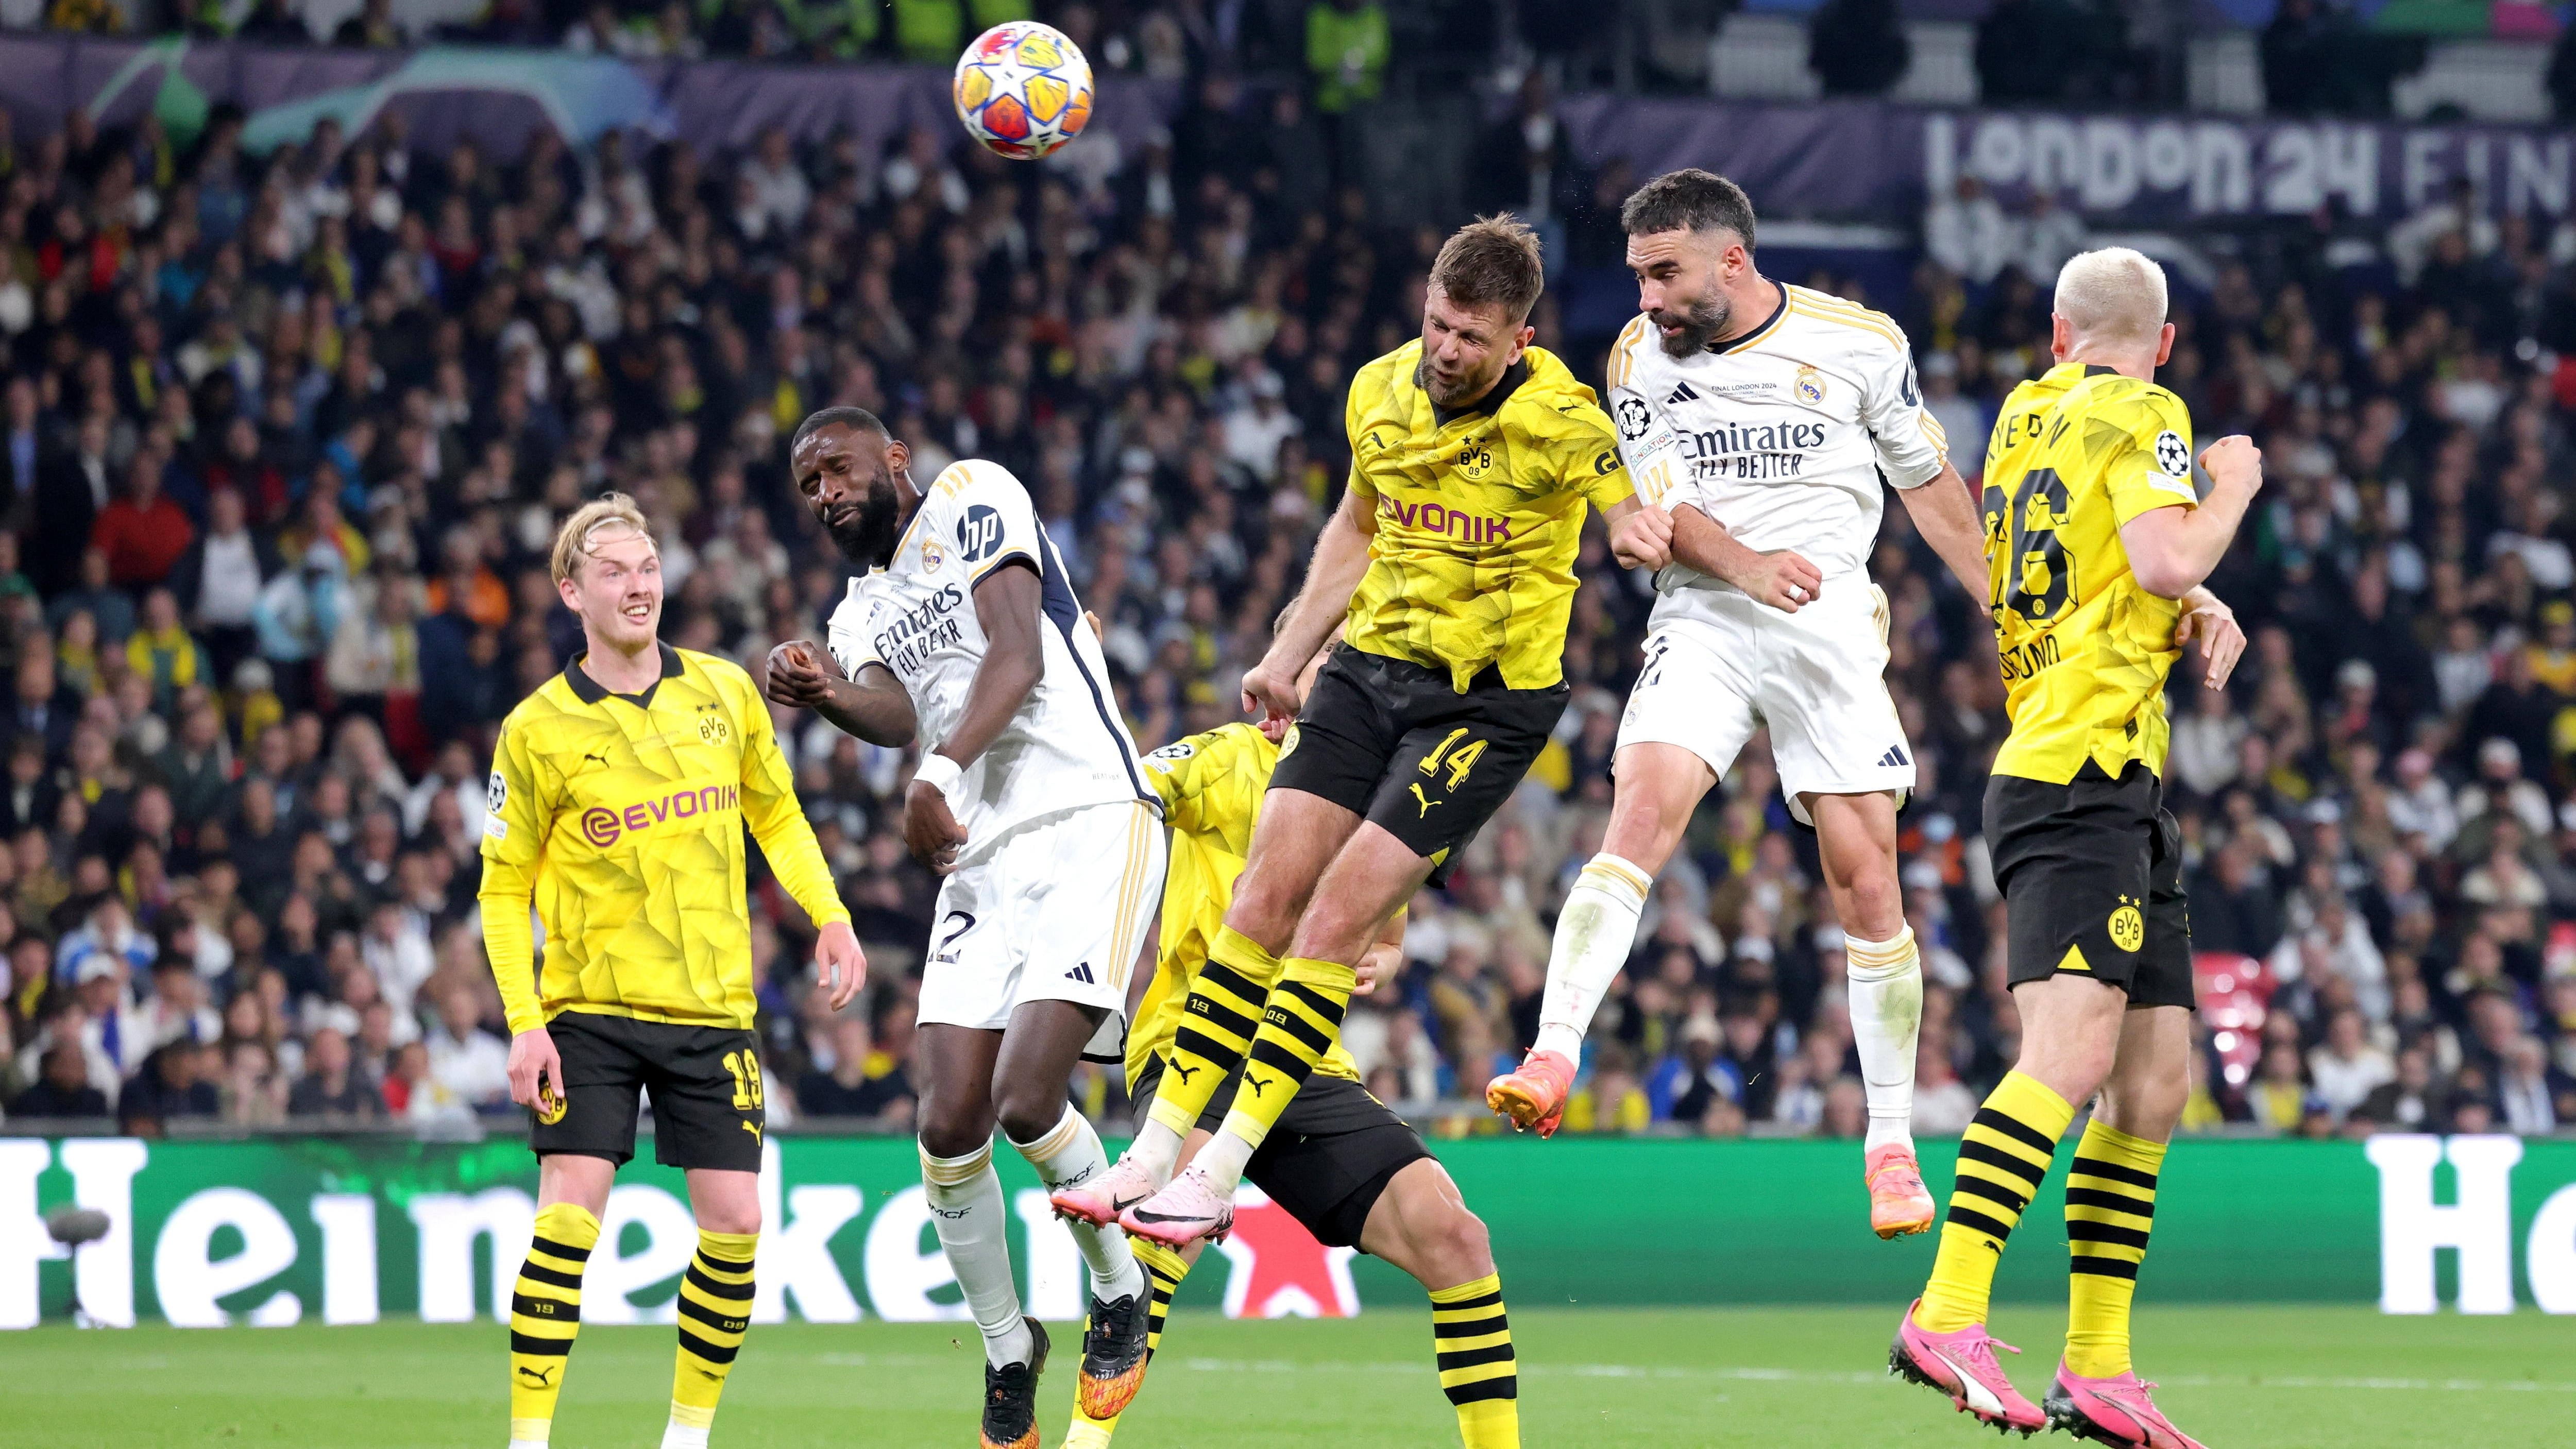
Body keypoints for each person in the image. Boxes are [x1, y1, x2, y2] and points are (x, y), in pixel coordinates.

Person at [1091, 213, 1670, 1254]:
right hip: (1368, 670)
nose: (1447, 353)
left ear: (1519, 342)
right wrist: (1286, 647)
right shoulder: (1379, 390)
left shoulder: (1560, 417)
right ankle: (1154, 1150)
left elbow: (1621, 491)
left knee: (1336, 921)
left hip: (1485, 703)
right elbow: (1357, 526)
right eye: (1438, 327)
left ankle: (1216, 1174)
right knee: (1264, 893)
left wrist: (1631, 524)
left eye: (1472, 340)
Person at [1482, 168, 1990, 1240]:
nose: (1647, 299)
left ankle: (1890, 1145)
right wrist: (1748, 564)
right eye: (1636, 276)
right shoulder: (1636, 359)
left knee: (1867, 885)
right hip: (1707, 614)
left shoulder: (1859, 344)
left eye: (1665, 274)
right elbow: (1662, 510)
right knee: (1639, 818)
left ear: (1732, 260)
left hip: (1829, 621)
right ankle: (1552, 1051)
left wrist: (2004, 608)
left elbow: (1932, 492)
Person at [1889, 247, 2261, 1449]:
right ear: (2160, 343)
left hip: (2112, 786)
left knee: (2152, 1086)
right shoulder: (2152, 410)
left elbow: (2088, 573)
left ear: (2058, 333)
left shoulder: (2023, 415)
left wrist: (2180, 598)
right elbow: (2161, 555)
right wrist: (2231, 490)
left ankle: (2097, 1365)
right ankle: (1944, 1311)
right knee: (2070, 1057)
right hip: (2073, 777)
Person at [768, 406, 1163, 1449]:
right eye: (808, 487)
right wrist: (824, 697)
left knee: (1027, 1098)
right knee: (948, 1126)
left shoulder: (971, 496)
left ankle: (1120, 1295)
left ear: (892, 460)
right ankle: (1006, 1346)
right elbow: (895, 711)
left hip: (1087, 817)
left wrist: (934, 776)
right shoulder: (861, 607)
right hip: (980, 853)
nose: (826, 493)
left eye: (839, 469)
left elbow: (1018, 651)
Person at [1054, 624, 1523, 1449]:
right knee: (1169, 1236)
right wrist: (1076, 683)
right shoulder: (1229, 757)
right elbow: (1122, 787)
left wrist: (1374, 953)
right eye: (1340, 657)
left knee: (1456, 1236)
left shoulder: (1387, 796)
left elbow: (1387, 934)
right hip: (1197, 1044)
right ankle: (1081, 1445)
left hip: (1306, 1060)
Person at [478, 494, 864, 1449]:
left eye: (646, 565)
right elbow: (500, 889)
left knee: (735, 1222)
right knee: (570, 1208)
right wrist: (525, 1021)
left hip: (712, 1009)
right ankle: (530, 1440)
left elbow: (775, 814)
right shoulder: (536, 729)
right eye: (612, 570)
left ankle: (686, 1437)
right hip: (588, 1012)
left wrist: (831, 914)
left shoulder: (725, 692)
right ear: (572, 591)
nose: (637, 583)